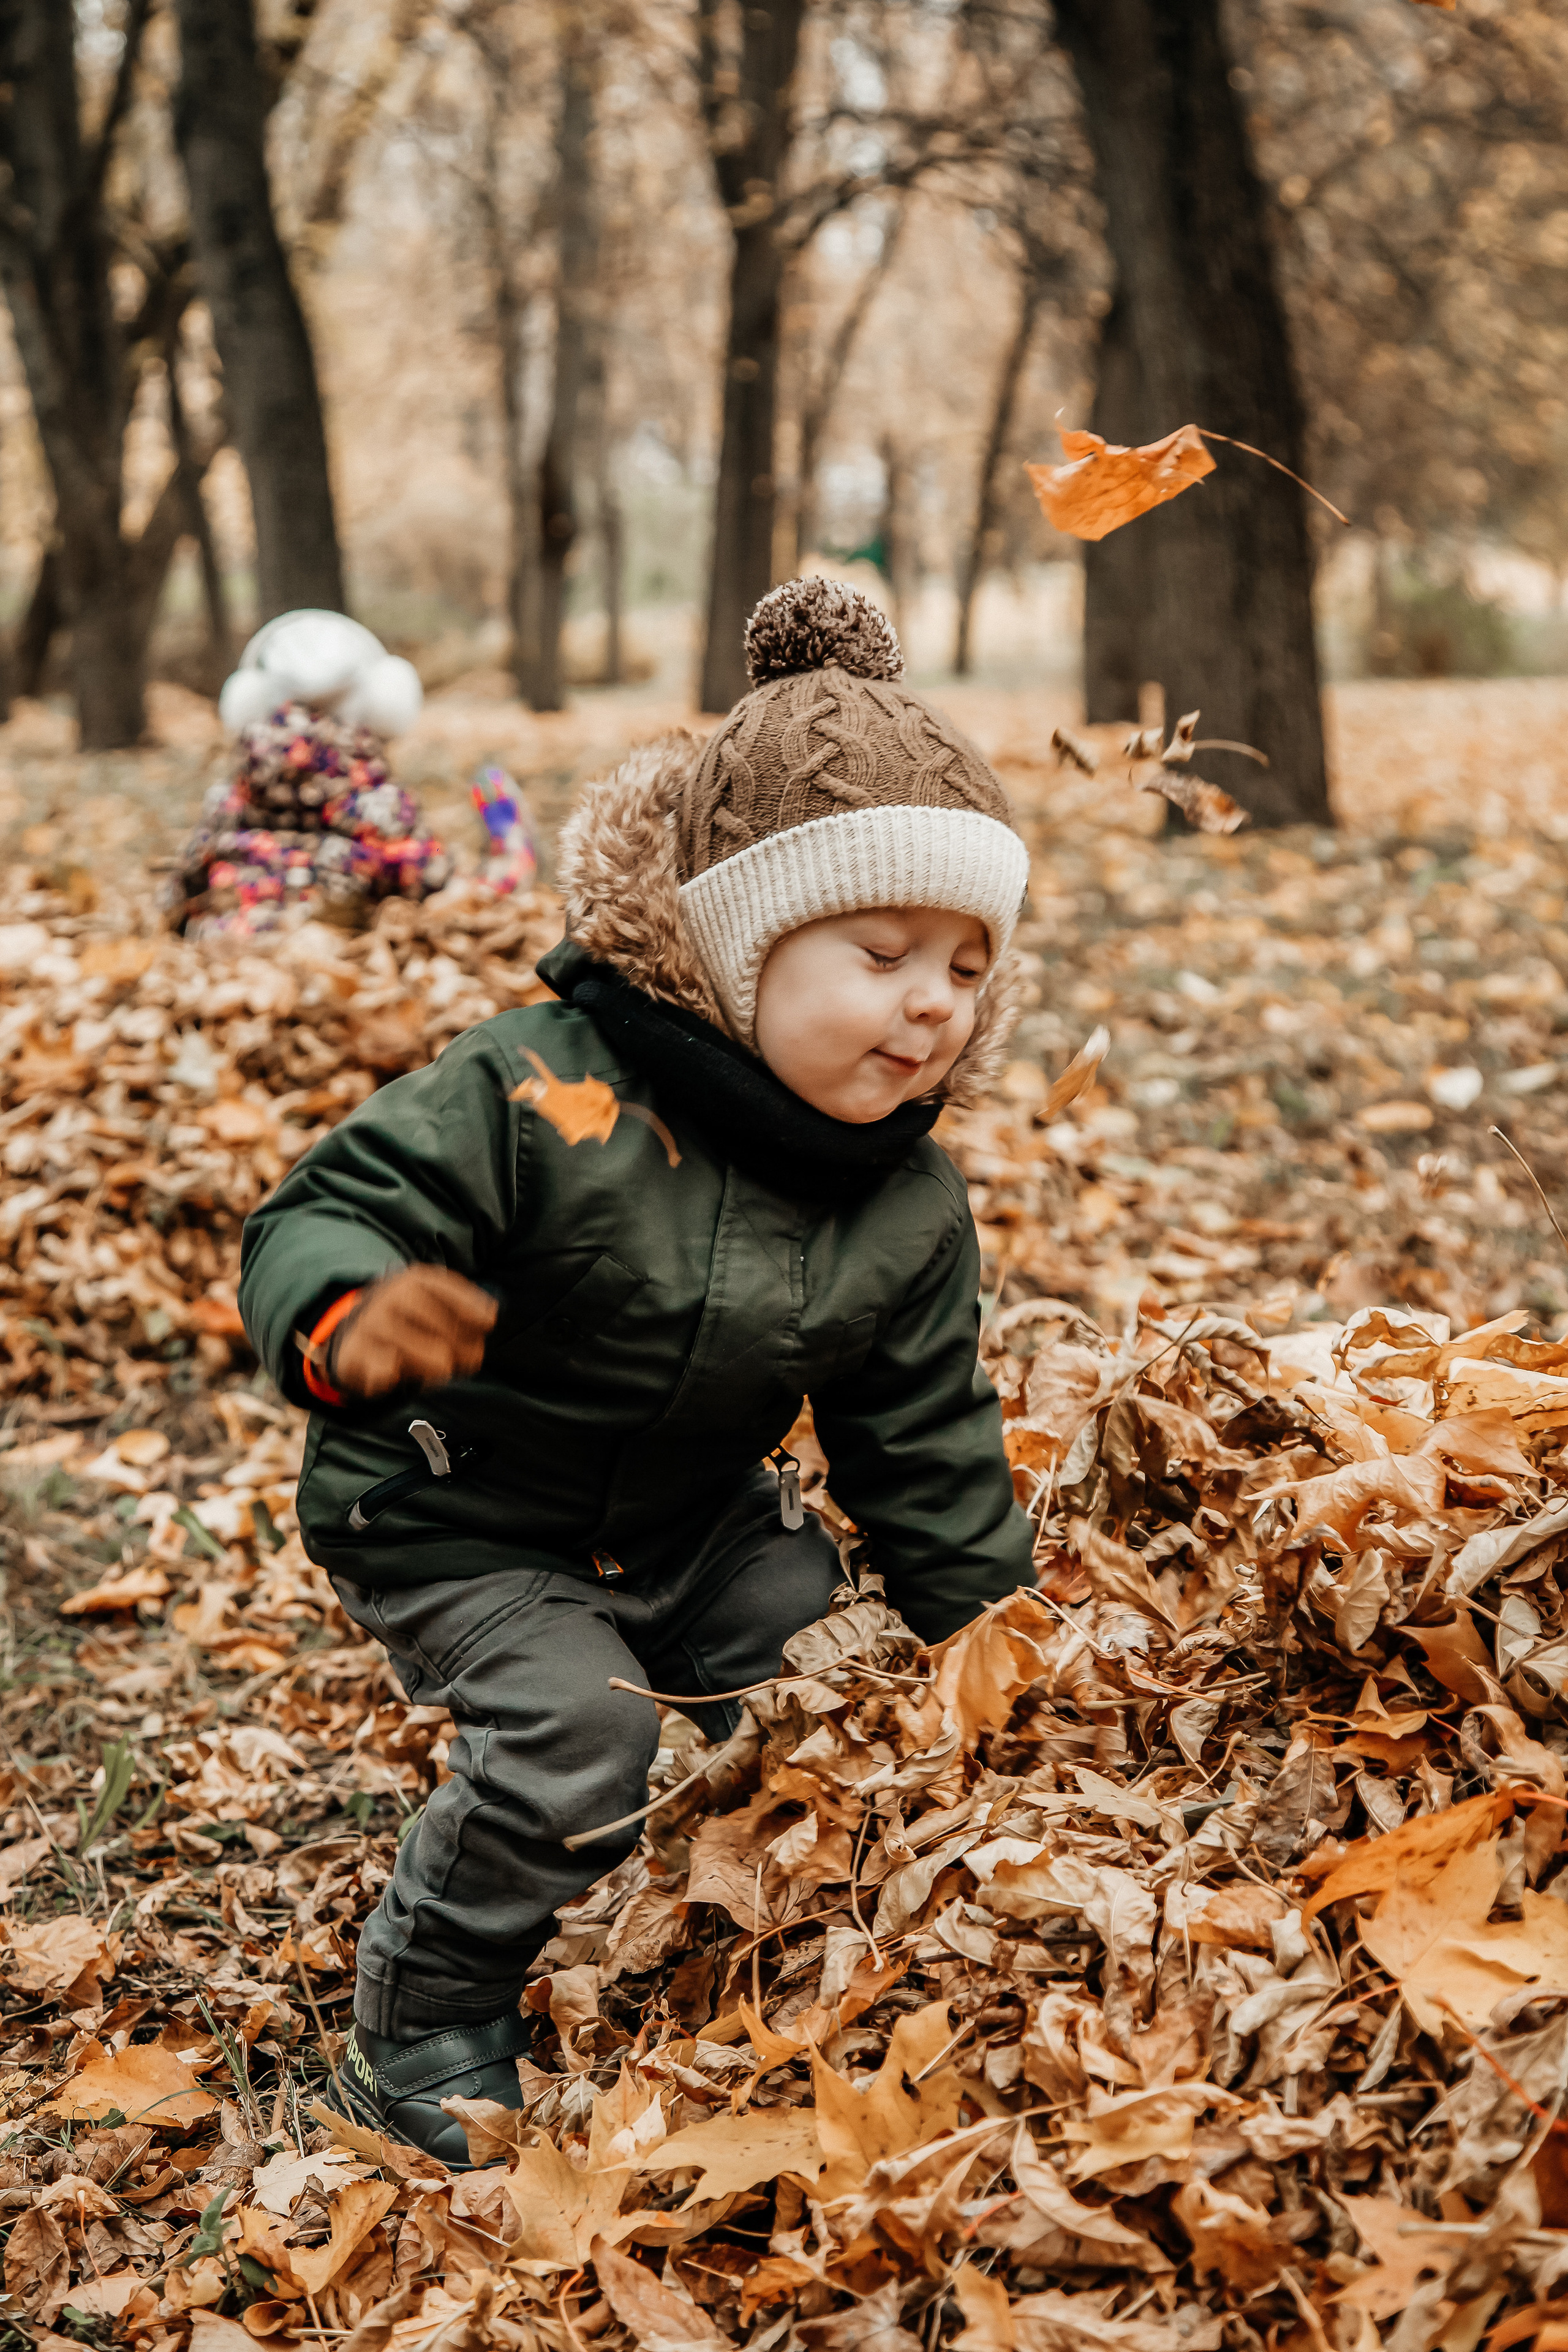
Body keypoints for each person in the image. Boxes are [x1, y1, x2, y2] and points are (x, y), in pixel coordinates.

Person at [238, 576, 1036, 2163]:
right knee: (582, 1729)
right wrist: (350, 1317)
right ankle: (431, 2001)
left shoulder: (902, 1194)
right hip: (460, 1506)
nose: (932, 999)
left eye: (964, 960)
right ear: (741, 948)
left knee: (818, 1670)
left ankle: (742, 1928)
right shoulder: (538, 1090)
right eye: (881, 950)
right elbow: (329, 1210)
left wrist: (993, 1644)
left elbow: (923, 1435)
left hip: (688, 1513)